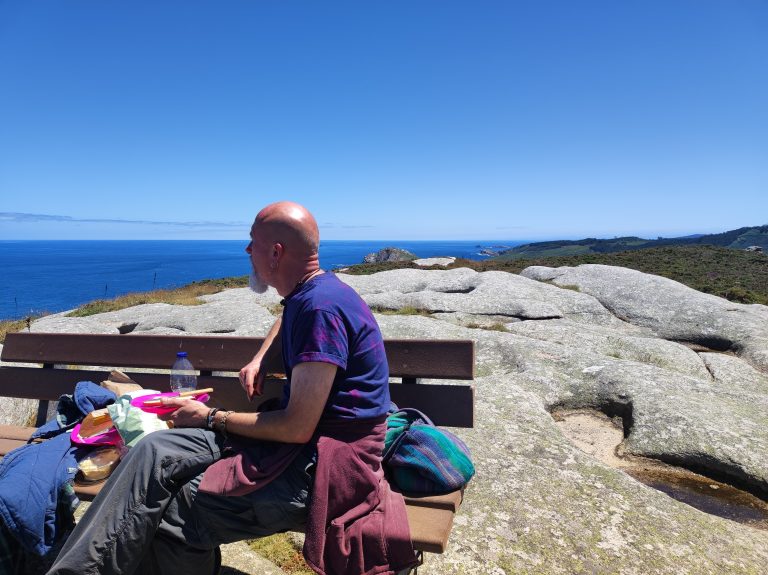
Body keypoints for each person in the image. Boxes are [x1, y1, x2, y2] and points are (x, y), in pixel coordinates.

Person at [48, 201, 416, 575]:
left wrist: (212, 417)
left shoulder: (321, 310)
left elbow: (297, 427)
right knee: (154, 448)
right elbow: (289, 314)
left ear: (276, 253)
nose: (247, 249)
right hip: (295, 448)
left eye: (253, 242)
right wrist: (261, 358)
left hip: (325, 468)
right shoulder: (313, 292)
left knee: (175, 514)